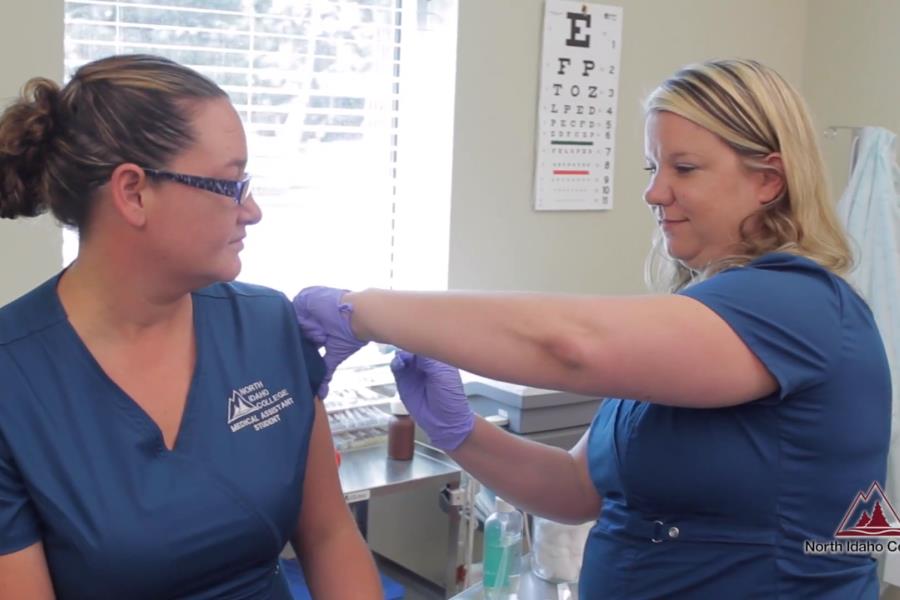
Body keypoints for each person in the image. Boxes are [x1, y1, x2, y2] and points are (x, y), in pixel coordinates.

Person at [294, 58, 892, 598]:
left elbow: (572, 344)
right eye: (654, 166)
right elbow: (576, 489)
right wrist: (458, 431)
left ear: (768, 180)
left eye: (684, 167)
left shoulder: (800, 303)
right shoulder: (710, 313)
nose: (654, 192)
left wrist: (364, 308)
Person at [0, 54, 380, 599]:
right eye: (230, 185)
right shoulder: (13, 377)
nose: (252, 211)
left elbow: (327, 534)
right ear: (133, 192)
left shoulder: (265, 324)